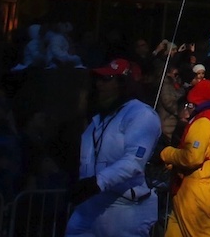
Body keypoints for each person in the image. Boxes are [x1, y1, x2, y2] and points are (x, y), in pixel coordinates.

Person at [68, 59, 163, 237]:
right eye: (98, 78)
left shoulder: (142, 114)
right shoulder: (100, 118)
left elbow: (133, 162)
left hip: (125, 207)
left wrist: (96, 182)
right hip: (91, 203)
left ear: (123, 83)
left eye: (107, 78)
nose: (99, 83)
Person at [161, 80, 210, 237]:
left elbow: (192, 157)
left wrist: (167, 154)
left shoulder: (203, 122)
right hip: (193, 193)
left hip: (197, 196)